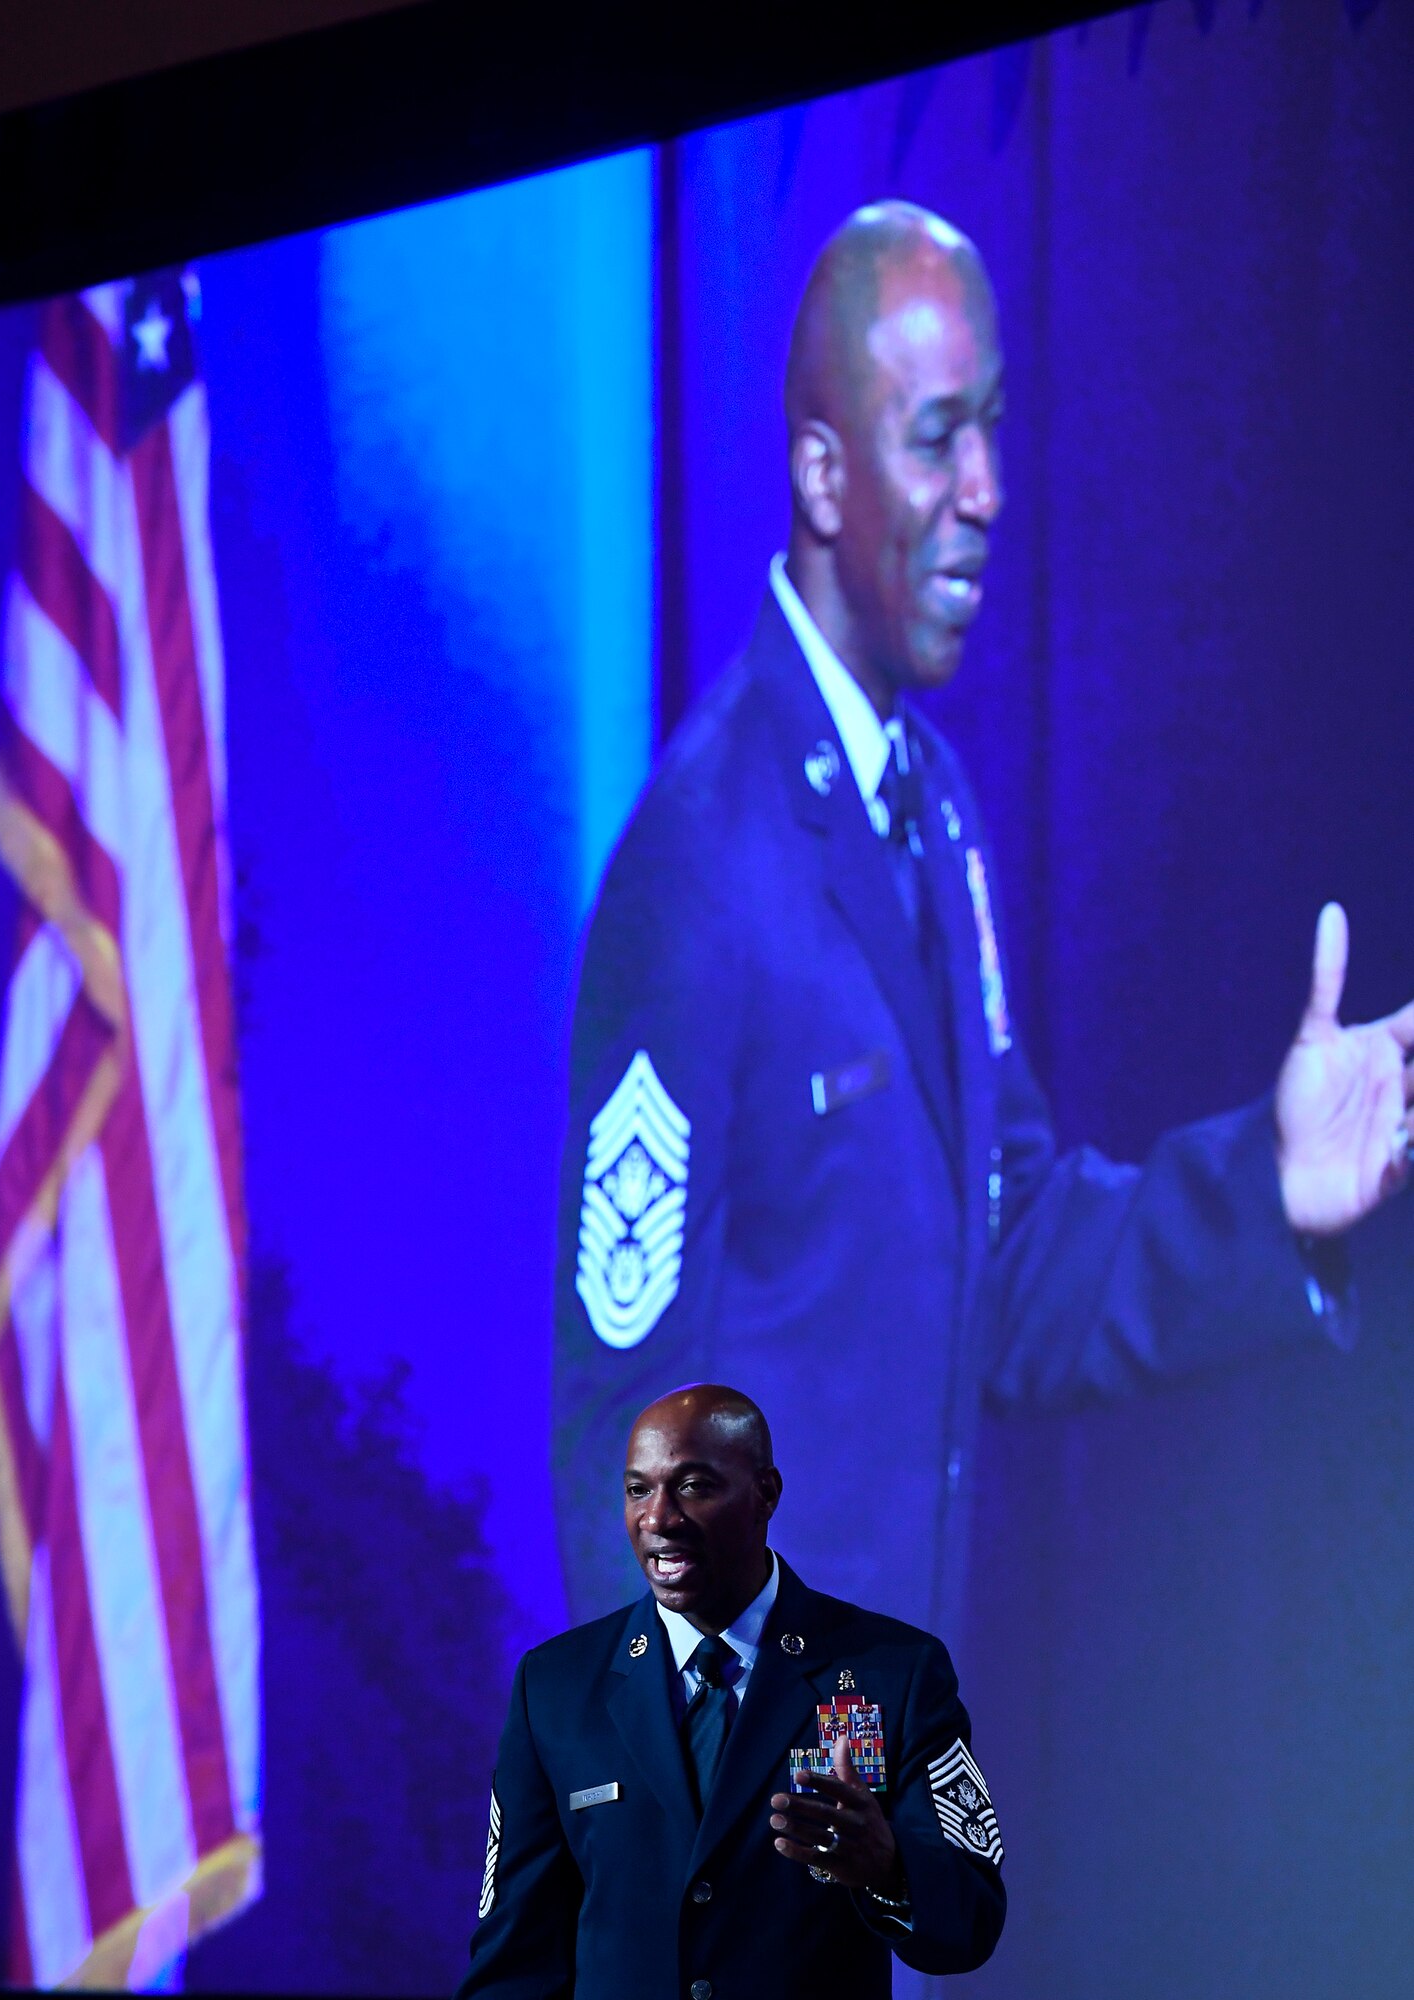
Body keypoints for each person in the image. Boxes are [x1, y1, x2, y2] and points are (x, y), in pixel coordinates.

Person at [552, 201, 1414, 1639]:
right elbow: (618, 1450)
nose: (986, 489)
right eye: (935, 436)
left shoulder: (929, 807)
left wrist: (1270, 1194)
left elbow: (1003, 1265)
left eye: (992, 431)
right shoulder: (699, 865)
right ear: (822, 476)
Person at [457, 1385, 1005, 1998]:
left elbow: (973, 1920)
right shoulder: (555, 1687)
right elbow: (514, 1961)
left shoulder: (894, 1672)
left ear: (764, 1494)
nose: (658, 1518)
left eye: (693, 1486)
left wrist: (888, 1868)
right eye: (638, 1489)